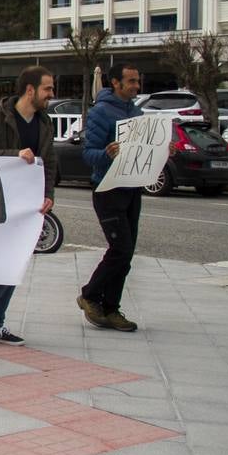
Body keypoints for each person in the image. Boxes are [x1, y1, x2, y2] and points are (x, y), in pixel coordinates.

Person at [0, 66, 59, 345]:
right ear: (30, 90)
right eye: (47, 88)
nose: (51, 94)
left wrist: (48, 193)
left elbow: (49, 161)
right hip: (0, 200)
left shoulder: (44, 122)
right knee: (6, 257)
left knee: (18, 259)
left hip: (30, 204)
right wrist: (15, 156)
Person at [78, 63, 164, 332]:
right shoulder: (100, 112)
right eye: (131, 81)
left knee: (126, 254)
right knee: (121, 249)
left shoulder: (136, 112)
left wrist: (163, 149)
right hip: (107, 190)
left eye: (137, 81)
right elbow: (88, 153)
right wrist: (107, 154)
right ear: (115, 82)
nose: (136, 86)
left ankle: (111, 308)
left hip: (131, 187)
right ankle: (90, 295)